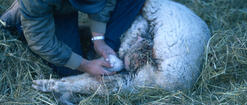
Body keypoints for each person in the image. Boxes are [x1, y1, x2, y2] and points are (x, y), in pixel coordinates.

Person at [0, 0, 145, 77]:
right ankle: (21, 13)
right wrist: (84, 65)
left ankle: (106, 44)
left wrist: (99, 40)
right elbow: (40, 41)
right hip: (49, 5)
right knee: (70, 70)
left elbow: (106, 3)